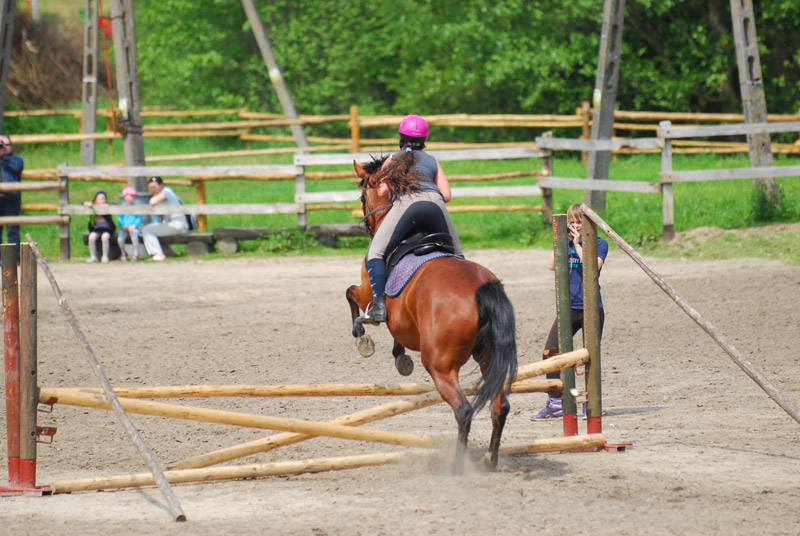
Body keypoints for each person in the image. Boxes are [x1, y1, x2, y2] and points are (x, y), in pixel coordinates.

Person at [364, 114, 463, 323]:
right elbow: (447, 196)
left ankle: (379, 306)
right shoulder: (432, 160)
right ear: (424, 141)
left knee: (376, 252)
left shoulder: (393, 159)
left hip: (408, 205)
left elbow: (381, 192)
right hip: (435, 204)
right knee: (458, 255)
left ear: (400, 138)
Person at [532, 203, 609, 420]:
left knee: (589, 357)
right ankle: (556, 401)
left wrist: (577, 243)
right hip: (568, 309)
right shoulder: (565, 243)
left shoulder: (599, 244)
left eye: (579, 222)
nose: (575, 226)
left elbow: (592, 266)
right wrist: (563, 241)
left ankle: (589, 402)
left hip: (592, 308)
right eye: (572, 222)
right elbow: (550, 265)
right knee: (551, 351)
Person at [141, 176, 188, 261]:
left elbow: (152, 202)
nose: (152, 190)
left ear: (161, 185)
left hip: (177, 224)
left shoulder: (167, 191)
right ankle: (168, 252)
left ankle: (158, 254)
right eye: (151, 188)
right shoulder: (163, 197)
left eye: (154, 187)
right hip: (173, 225)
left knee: (147, 229)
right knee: (154, 227)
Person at [0, 134, 23, 256]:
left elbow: (17, 167)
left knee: (12, 232)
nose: (3, 147)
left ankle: (15, 258)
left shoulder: (16, 159)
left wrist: (4, 157)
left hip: (11, 200)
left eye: (6, 144)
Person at [84, 191, 116, 263]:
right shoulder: (93, 208)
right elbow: (80, 204)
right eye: (99, 199)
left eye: (103, 199)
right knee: (91, 237)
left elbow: (116, 205)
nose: (102, 201)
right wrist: (86, 204)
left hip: (107, 229)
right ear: (95, 200)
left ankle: (105, 256)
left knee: (105, 237)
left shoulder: (107, 207)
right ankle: (93, 256)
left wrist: (108, 205)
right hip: (96, 229)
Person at [117, 186, 142, 261]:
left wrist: (134, 225)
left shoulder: (136, 207)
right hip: (124, 227)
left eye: (134, 196)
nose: (133, 197)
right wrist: (122, 226)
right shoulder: (122, 207)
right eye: (131, 195)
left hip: (133, 227)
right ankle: (123, 253)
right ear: (125, 197)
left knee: (134, 237)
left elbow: (138, 218)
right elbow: (119, 218)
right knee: (120, 239)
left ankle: (136, 254)